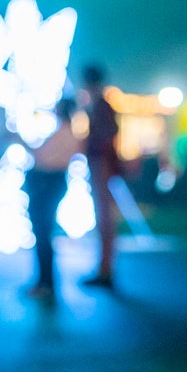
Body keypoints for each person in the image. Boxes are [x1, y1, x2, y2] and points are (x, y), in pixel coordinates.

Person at [23, 98, 80, 299]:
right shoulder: (69, 133)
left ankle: (45, 282)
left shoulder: (63, 134)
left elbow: (42, 157)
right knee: (44, 232)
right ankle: (45, 281)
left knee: (42, 232)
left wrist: (20, 141)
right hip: (52, 183)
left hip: (46, 184)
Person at [80, 64, 121, 288]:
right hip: (100, 164)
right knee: (103, 218)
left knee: (105, 218)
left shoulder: (102, 106)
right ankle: (104, 268)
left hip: (101, 165)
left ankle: (105, 270)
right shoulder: (99, 105)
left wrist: (97, 151)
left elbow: (109, 132)